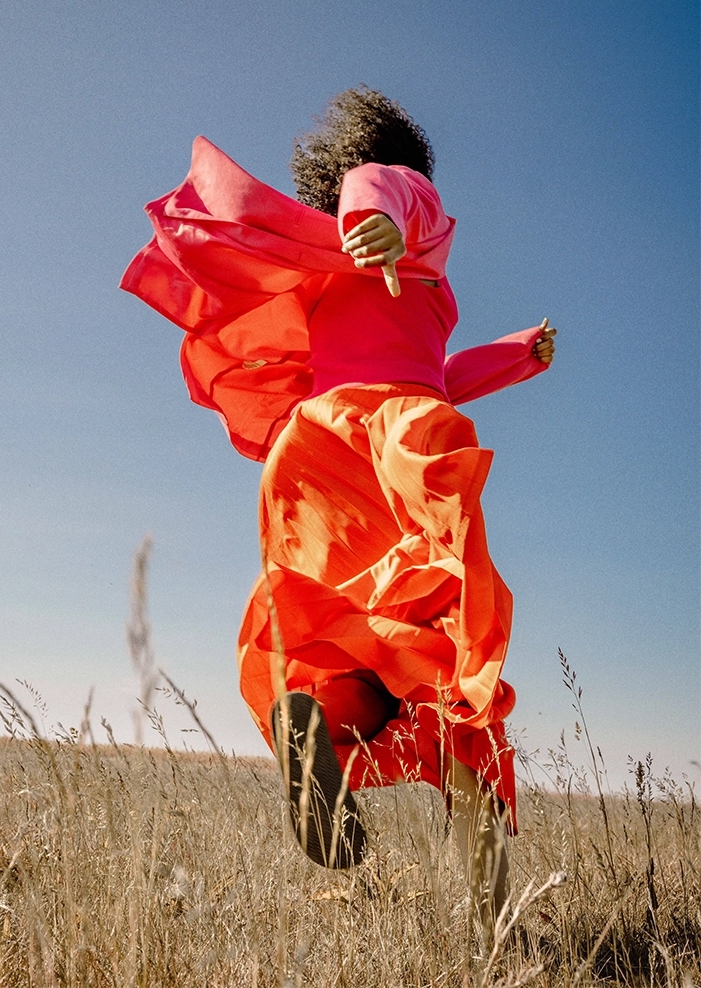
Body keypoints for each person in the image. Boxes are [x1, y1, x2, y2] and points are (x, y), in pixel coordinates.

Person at [120, 87, 555, 940]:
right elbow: (378, 191)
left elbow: (438, 369)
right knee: (450, 669)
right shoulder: (401, 192)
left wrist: (514, 358)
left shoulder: (326, 276)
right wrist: (381, 218)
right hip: (396, 445)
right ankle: (498, 925)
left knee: (350, 643)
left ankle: (314, 724)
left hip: (313, 453)